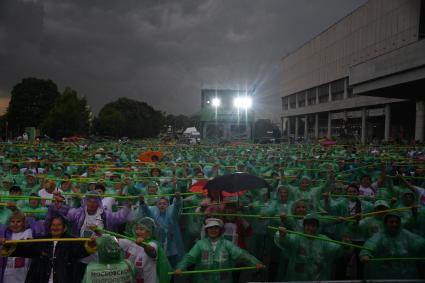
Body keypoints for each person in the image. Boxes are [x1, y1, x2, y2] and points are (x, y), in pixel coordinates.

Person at [0, 214, 96, 283]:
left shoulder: (72, 241)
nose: (55, 227)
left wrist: (91, 244)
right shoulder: (40, 241)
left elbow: (82, 251)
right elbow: (24, 249)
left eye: (58, 225)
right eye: (53, 225)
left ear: (64, 228)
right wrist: (8, 245)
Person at [175, 218, 265, 283]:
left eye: (216, 228)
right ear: (206, 230)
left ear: (220, 230)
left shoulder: (227, 244)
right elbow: (189, 257)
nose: (213, 230)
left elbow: (241, 254)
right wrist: (180, 267)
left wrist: (255, 262)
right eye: (210, 228)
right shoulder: (200, 244)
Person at [274, 213, 352, 281]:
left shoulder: (323, 239)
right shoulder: (297, 237)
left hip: (318, 278)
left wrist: (345, 246)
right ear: (304, 226)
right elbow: (286, 242)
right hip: (297, 278)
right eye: (308, 225)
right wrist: (283, 236)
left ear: (318, 227)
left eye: (314, 226)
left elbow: (336, 250)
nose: (311, 228)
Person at [360, 212, 425, 279]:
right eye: (391, 222)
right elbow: (370, 244)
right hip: (385, 275)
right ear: (385, 223)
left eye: (397, 222)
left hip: (406, 275)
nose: (394, 224)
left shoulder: (406, 234)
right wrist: (365, 254)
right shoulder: (380, 235)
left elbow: (420, 242)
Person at [118, 217, 171, 283]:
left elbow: (152, 251)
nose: (138, 231)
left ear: (149, 232)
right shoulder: (131, 241)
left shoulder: (154, 243)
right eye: (137, 229)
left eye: (141, 229)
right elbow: (114, 241)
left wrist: (144, 245)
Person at [139, 192, 184, 267]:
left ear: (168, 205)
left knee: (175, 267)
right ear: (157, 206)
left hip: (173, 249)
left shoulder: (173, 216)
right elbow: (148, 212)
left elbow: (176, 208)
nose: (162, 205)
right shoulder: (155, 218)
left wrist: (178, 199)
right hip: (161, 248)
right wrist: (142, 202)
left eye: (164, 204)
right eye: (159, 204)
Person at [0, 211, 33, 283]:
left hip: (23, 275)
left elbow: (32, 222)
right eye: (12, 221)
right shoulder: (5, 233)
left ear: (24, 222)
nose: (15, 224)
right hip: (7, 275)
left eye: (18, 221)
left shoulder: (28, 232)